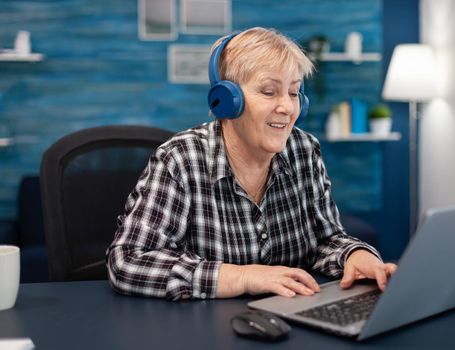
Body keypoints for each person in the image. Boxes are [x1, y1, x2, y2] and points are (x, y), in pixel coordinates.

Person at [106, 27, 397, 301]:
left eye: (294, 93)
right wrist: (241, 277)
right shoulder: (181, 159)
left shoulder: (304, 150)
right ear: (227, 100)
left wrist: (356, 256)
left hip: (290, 319)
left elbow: (324, 240)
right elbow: (127, 261)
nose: (286, 106)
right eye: (269, 92)